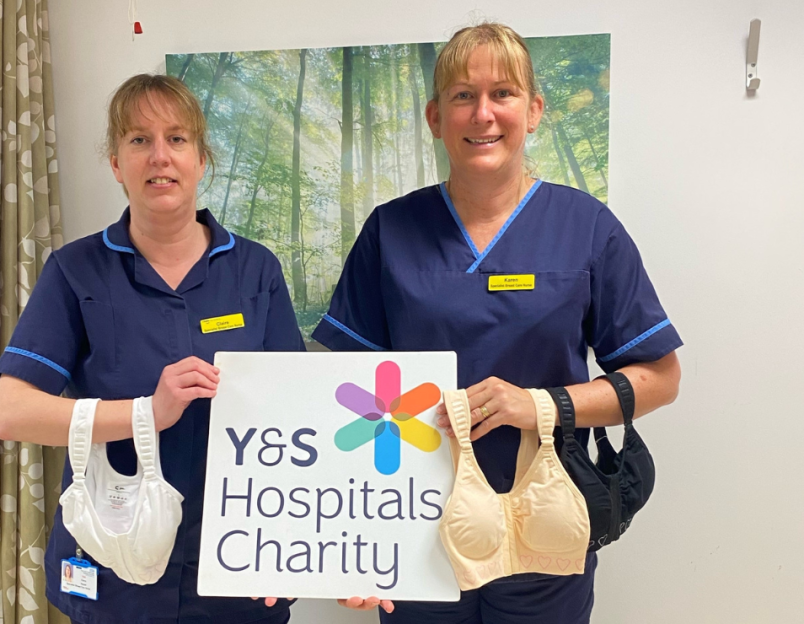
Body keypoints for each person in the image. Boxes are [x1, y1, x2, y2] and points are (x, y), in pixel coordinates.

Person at [312, 23, 682, 624]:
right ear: (435, 117)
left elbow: (661, 379)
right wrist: (350, 538)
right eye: (462, 95)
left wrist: (541, 406)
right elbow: (344, 396)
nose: (483, 113)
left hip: (547, 524)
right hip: (415, 527)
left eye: (503, 93)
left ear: (533, 110)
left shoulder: (586, 226)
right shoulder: (391, 231)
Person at [0, 74, 304, 624]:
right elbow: (11, 409)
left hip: (236, 561)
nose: (159, 156)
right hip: (116, 569)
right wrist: (146, 414)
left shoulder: (256, 270)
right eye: (139, 140)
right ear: (116, 162)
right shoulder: (76, 271)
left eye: (177, 138)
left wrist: (299, 545)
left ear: (202, 157)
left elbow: (299, 413)